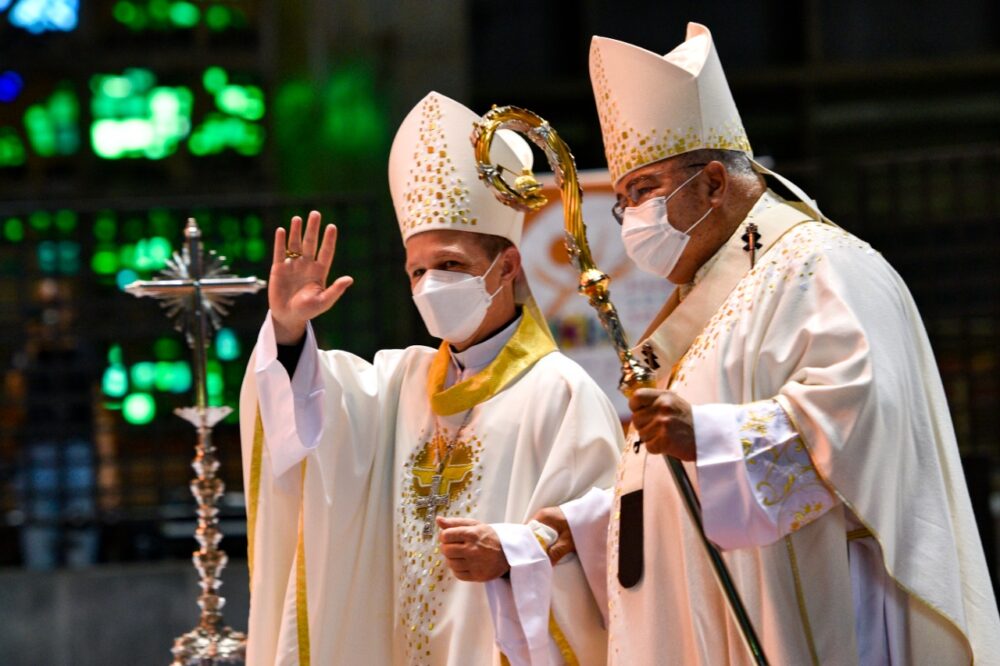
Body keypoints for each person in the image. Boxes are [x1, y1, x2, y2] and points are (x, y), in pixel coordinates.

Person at [479, 23, 1000, 665]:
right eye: (623, 201)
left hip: (824, 616)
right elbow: (674, 490)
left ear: (714, 183)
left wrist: (711, 438)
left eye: (643, 191)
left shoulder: (824, 267)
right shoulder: (706, 298)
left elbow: (861, 421)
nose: (631, 218)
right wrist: (583, 527)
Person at [239, 91, 622, 666]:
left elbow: (605, 536)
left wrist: (512, 551)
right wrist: (289, 329)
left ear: (507, 266)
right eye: (416, 272)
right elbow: (309, 430)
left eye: (450, 265)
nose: (429, 286)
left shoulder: (561, 393)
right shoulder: (400, 384)